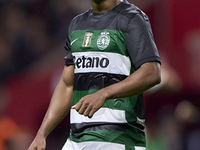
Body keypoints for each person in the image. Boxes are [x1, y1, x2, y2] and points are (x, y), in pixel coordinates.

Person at [28, 0, 161, 149]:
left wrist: (104, 93)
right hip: (77, 139)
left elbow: (152, 72)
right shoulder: (77, 24)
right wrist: (42, 134)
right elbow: (67, 84)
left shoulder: (132, 18)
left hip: (117, 138)